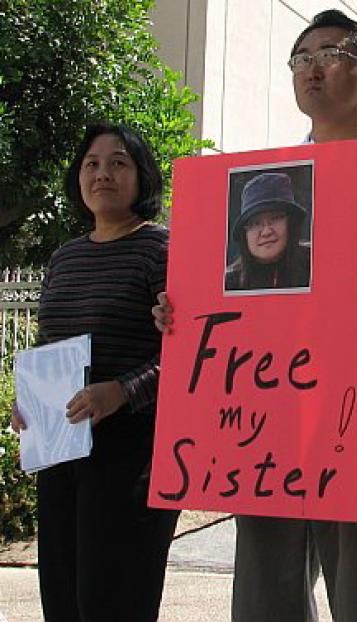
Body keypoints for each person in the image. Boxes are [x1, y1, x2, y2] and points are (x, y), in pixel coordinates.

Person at [153, 9, 357, 621]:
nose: (311, 69)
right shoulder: (263, 177)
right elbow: (222, 290)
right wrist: (181, 315)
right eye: (300, 58)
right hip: (265, 383)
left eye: (328, 55)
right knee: (266, 565)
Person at [10, 123, 178, 622]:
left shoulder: (161, 250)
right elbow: (48, 346)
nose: (102, 173)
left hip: (132, 453)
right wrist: (30, 402)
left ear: (142, 177)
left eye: (118, 162)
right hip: (60, 446)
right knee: (63, 598)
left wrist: (123, 392)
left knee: (114, 599)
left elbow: (191, 356)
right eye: (91, 163)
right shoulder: (65, 257)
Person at [225, 172, 311, 291]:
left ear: (291, 223)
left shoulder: (317, 265)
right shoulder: (229, 284)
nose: (266, 232)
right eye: (255, 223)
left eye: (275, 218)